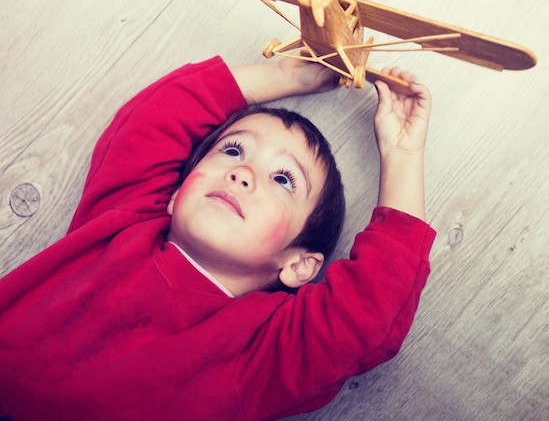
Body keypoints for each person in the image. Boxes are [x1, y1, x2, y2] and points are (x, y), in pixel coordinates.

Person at [0, 55, 435, 421]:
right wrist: (285, 75)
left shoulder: (265, 348)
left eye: (283, 179)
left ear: (299, 264)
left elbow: (372, 309)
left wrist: (402, 154)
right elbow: (157, 118)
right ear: (174, 196)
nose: (243, 172)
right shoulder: (119, 222)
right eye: (233, 149)